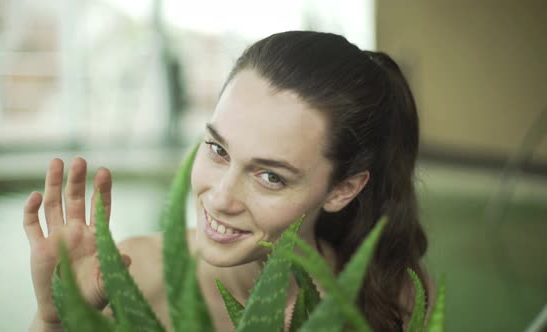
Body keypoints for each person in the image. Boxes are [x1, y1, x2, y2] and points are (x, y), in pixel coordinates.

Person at [24, 30, 431, 332]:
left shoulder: (391, 293)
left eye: (270, 176)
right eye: (218, 151)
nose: (219, 199)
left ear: (343, 190)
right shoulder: (128, 279)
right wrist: (55, 319)